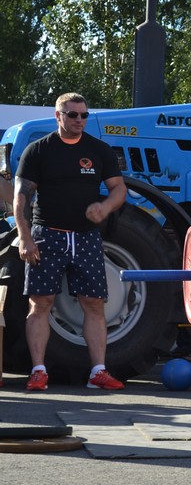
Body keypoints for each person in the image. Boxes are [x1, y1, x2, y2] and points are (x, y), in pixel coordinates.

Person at [14, 92, 127, 391]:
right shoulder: (39, 150)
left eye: (84, 115)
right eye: (72, 115)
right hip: (47, 234)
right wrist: (25, 238)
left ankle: (98, 372)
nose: (79, 120)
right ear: (58, 116)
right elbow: (21, 197)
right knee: (41, 304)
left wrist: (105, 207)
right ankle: (39, 371)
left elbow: (119, 189)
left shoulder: (99, 150)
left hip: (86, 237)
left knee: (94, 304)